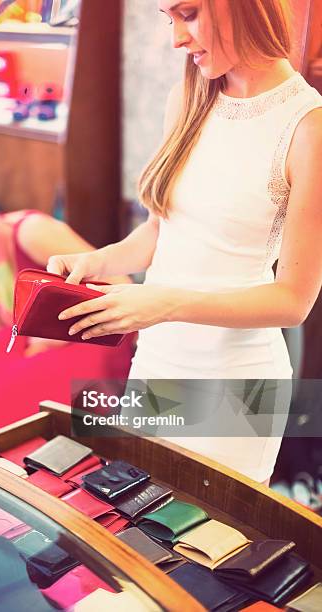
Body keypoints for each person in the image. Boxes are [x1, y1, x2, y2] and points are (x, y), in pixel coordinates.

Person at [47, 0, 322, 484]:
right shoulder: (188, 98)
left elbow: (293, 301)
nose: (176, 38)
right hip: (159, 356)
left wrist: (164, 303)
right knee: (137, 520)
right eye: (167, 18)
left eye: (189, 13)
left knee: (208, 545)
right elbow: (161, 231)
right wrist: (97, 260)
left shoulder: (307, 128)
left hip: (236, 385)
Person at [0, 165, 134, 440]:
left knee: (6, 393)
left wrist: (51, 341)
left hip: (96, 332)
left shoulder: (31, 232)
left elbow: (119, 282)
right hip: (39, 335)